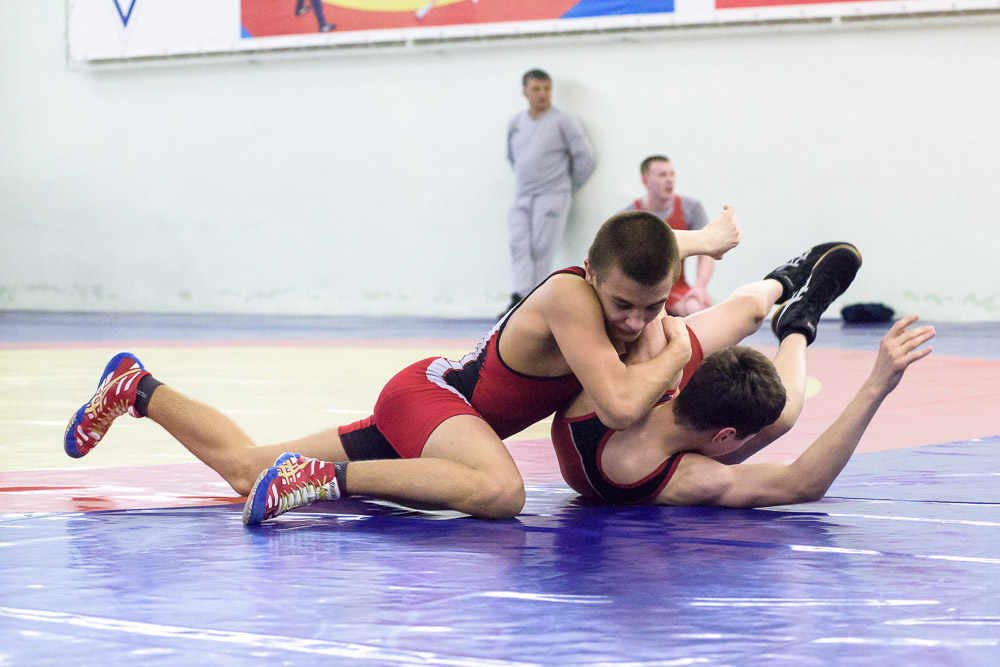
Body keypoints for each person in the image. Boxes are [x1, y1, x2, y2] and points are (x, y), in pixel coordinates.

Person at [64, 209, 742, 524]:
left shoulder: (625, 273)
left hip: (438, 419)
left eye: (652, 307)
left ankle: (137, 388)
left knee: (247, 471)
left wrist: (705, 239)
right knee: (501, 492)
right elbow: (620, 406)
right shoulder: (571, 297)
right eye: (623, 305)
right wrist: (676, 348)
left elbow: (647, 244)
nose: (634, 321)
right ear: (592, 274)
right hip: (434, 400)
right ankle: (322, 480)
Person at [551, 243, 936, 508]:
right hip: (640, 438)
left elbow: (651, 249)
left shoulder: (638, 367)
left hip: (628, 413)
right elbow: (801, 484)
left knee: (749, 311)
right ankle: (798, 325)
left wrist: (705, 240)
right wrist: (876, 387)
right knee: (780, 415)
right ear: (724, 438)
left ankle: (782, 286)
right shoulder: (689, 479)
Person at [502, 69, 596, 316]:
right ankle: (519, 297)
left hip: (552, 196)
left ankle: (533, 306)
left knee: (541, 250)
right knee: (518, 245)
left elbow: (585, 158)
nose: (542, 94)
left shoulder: (564, 121)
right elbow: (513, 157)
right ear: (525, 92)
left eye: (546, 88)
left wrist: (566, 186)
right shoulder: (516, 123)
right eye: (536, 89)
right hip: (523, 195)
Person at [627, 156, 713, 316]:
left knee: (696, 308)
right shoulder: (628, 216)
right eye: (662, 175)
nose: (669, 180)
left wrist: (700, 287)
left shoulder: (690, 208)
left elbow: (708, 248)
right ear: (645, 180)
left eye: (672, 174)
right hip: (639, 292)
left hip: (675, 288)